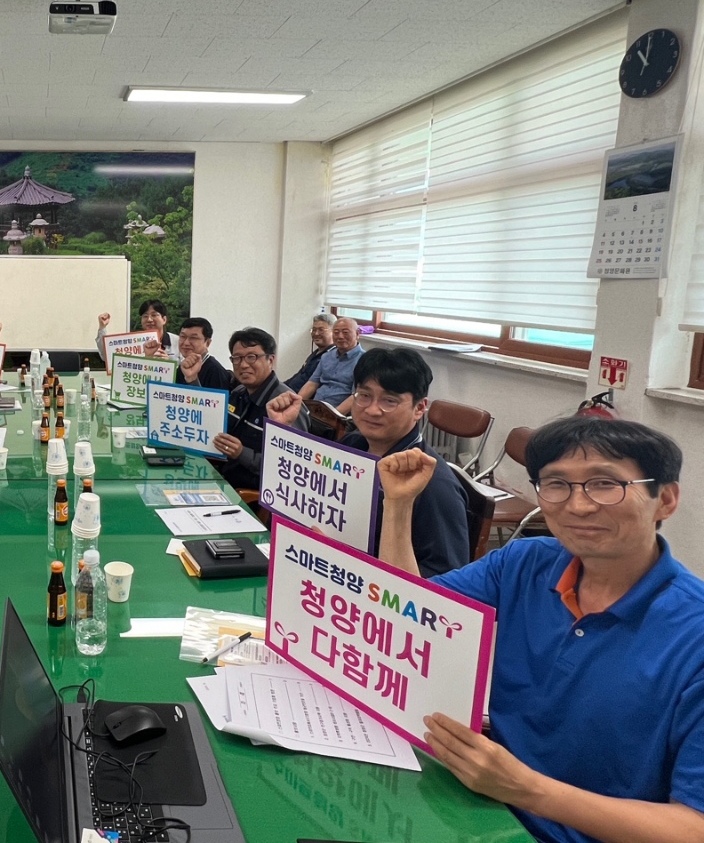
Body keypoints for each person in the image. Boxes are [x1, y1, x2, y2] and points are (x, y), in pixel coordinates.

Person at [375, 417, 704, 843]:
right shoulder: (523, 563)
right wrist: (399, 505)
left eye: (605, 484)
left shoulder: (692, 636)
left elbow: (694, 827)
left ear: (666, 500)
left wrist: (525, 789)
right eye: (556, 484)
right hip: (481, 809)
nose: (579, 506)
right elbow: (404, 612)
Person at [268, 347, 468, 576]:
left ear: (419, 408)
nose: (372, 410)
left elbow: (446, 579)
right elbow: (305, 492)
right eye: (364, 396)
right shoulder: (353, 444)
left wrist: (346, 561)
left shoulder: (435, 485)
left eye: (389, 401)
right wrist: (284, 430)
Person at [212, 328, 306, 493]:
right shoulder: (239, 393)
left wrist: (242, 453)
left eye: (251, 357)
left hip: (252, 495)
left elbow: (293, 467)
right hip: (220, 477)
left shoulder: (286, 406)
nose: (243, 364)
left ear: (271, 360)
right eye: (237, 358)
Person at [297, 316, 363, 411]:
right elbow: (312, 383)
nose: (340, 336)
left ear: (357, 334)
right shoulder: (326, 356)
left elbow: (356, 395)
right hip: (315, 409)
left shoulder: (363, 361)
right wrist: (297, 404)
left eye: (345, 332)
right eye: (336, 332)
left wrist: (334, 416)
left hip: (339, 414)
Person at [96, 300, 179, 362]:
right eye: (145, 316)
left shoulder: (177, 341)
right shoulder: (133, 342)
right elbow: (106, 356)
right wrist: (102, 327)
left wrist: (170, 365)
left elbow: (184, 368)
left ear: (164, 319)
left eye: (154, 315)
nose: (149, 319)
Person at [168, 317, 233, 392]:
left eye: (193, 338)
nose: (186, 343)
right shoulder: (183, 366)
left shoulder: (215, 371)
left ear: (207, 343)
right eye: (183, 337)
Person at [285, 312, 336, 393]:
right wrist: (280, 387)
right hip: (289, 391)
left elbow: (313, 385)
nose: (316, 333)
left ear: (333, 332)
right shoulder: (316, 353)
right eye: (314, 330)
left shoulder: (332, 356)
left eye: (321, 330)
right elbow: (299, 375)